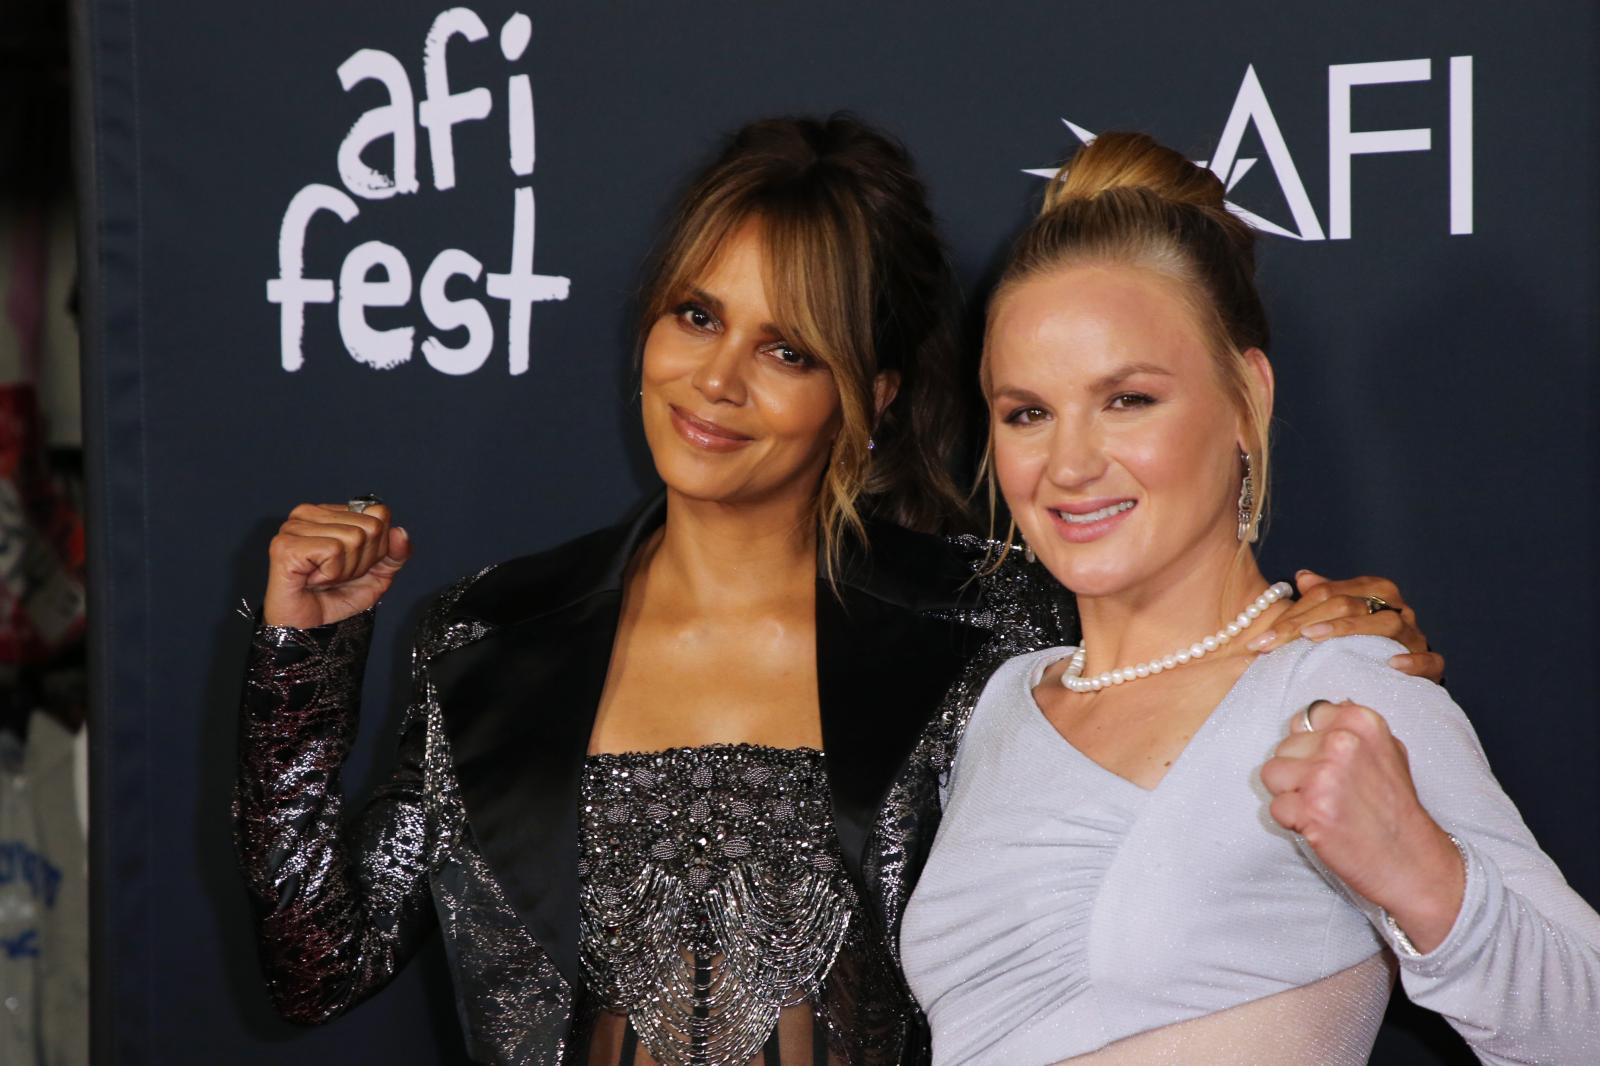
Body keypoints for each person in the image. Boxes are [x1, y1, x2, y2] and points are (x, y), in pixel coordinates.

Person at [235, 117, 1436, 1066]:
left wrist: (1341, 639)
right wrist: (302, 661)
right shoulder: (486, 635)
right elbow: (317, 962)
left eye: (786, 348)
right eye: (696, 315)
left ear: (870, 395)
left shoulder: (990, 629)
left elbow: (1193, 704)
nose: (716, 380)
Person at [899, 131, 1600, 1066]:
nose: (1068, 464)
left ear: (1246, 398)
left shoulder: (1340, 689)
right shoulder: (1002, 703)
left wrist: (1428, 876)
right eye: (1027, 412)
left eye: (1127, 400)